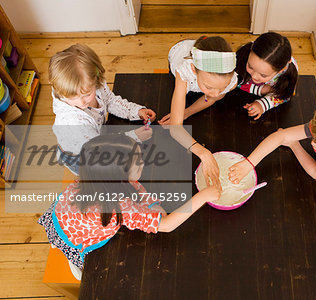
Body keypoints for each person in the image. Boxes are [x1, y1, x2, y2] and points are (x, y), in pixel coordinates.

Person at [38, 134, 220, 280]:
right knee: (85, 274)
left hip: (59, 216)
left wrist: (151, 203)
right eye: (138, 163)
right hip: (74, 240)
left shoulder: (94, 175)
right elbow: (166, 225)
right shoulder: (119, 207)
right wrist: (203, 195)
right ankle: (77, 266)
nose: (143, 162)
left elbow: (134, 186)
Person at [49, 44, 156, 175]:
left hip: (95, 134)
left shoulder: (93, 84)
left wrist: (135, 111)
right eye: (72, 98)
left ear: (96, 79)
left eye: (87, 95)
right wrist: (134, 136)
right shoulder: (72, 122)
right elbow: (101, 147)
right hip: (81, 157)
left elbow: (109, 100)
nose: (81, 102)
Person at [159, 36, 238, 190]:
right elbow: (175, 129)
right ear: (194, 69)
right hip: (180, 49)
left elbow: (211, 99)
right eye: (209, 87)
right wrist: (204, 154)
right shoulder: (184, 71)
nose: (216, 94)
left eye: (221, 88)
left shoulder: (231, 81)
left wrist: (186, 112)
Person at [235, 32, 298, 120]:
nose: (254, 76)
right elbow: (234, 80)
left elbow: (286, 95)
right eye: (250, 66)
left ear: (281, 70)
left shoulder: (287, 75)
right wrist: (261, 90)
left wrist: (263, 104)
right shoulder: (244, 53)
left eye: (263, 75)